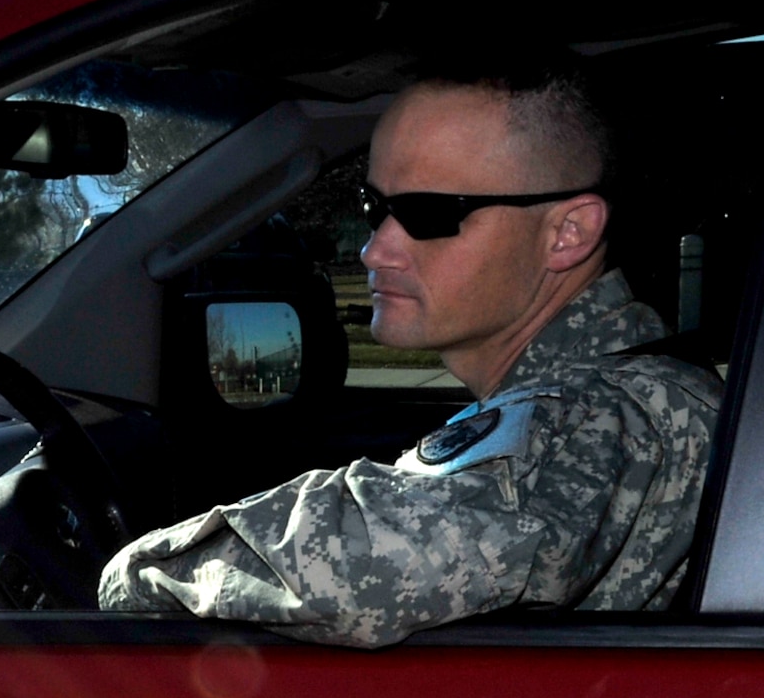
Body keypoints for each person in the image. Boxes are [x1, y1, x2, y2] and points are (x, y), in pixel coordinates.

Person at [99, 58, 722, 647]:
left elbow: (381, 562)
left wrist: (128, 574)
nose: (376, 250)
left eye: (428, 213)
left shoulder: (605, 409)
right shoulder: (623, 388)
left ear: (568, 233)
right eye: (376, 208)